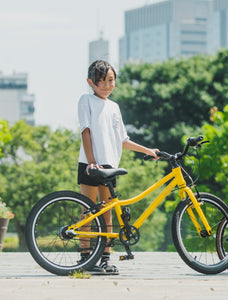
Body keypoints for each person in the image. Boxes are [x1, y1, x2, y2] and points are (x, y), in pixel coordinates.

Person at [77, 60, 159, 275]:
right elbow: (85, 131)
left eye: (110, 80)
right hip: (89, 164)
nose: (106, 85)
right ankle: (85, 257)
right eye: (101, 81)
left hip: (110, 165)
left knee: (107, 213)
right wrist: (92, 160)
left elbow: (123, 140)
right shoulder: (86, 100)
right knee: (87, 211)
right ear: (90, 82)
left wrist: (148, 150)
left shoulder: (114, 107)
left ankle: (105, 258)